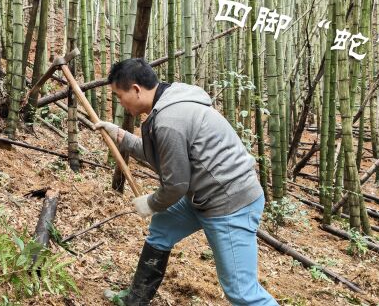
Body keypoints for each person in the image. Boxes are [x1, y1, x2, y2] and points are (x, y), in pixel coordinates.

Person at [95, 58, 278, 306]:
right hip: (202, 196)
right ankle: (135, 301)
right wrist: (119, 134)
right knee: (161, 230)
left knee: (242, 292)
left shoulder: (170, 120)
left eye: (119, 96)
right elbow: (159, 153)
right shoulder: (168, 102)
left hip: (229, 203)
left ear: (136, 90)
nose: (120, 102)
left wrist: (150, 203)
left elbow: (175, 186)